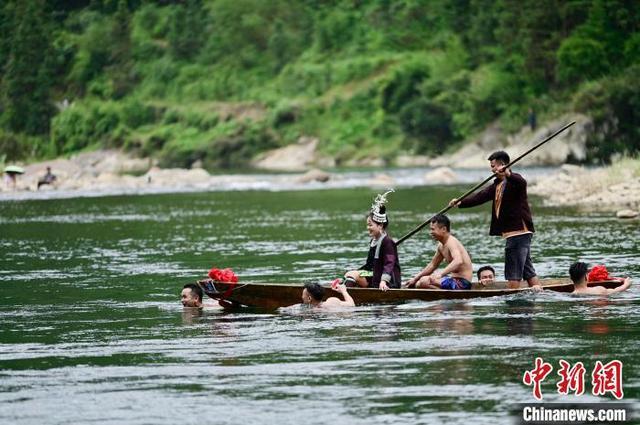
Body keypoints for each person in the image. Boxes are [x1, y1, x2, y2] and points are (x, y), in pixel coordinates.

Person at [449, 151, 541, 290]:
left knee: (513, 273)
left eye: (494, 166)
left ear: (503, 165)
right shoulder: (497, 185)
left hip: (518, 233)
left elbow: (521, 182)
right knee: (527, 270)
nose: (492, 169)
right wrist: (460, 202)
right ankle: (539, 291)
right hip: (516, 235)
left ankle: (514, 303)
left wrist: (508, 173)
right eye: (491, 167)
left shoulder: (515, 181)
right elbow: (479, 197)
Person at [343, 190, 401, 291]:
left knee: (353, 275)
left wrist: (384, 281)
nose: (367, 228)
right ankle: (344, 289)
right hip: (375, 277)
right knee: (350, 274)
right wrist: (356, 272)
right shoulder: (374, 241)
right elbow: (369, 265)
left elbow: (389, 264)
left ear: (380, 225)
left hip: (388, 282)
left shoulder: (388, 242)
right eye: (367, 225)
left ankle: (345, 296)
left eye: (370, 225)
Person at [403, 214, 473, 290]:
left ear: (443, 229)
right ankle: (443, 293)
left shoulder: (451, 242)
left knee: (424, 281)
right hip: (453, 280)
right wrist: (415, 278)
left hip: (462, 283)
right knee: (418, 283)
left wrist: (440, 274)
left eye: (433, 229)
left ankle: (445, 294)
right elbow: (432, 265)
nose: (431, 232)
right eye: (430, 229)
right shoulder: (441, 246)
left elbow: (458, 261)